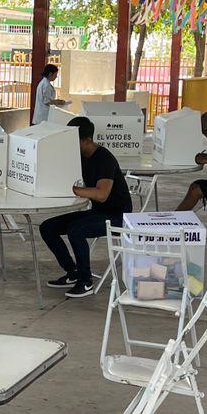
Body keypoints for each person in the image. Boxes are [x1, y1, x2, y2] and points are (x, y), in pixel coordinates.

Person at [41, 116, 132, 299]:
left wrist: (73, 190)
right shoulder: (81, 157)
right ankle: (72, 272)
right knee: (47, 227)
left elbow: (101, 194)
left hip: (117, 216)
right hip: (98, 212)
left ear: (87, 140)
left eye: (74, 142)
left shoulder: (104, 158)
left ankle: (85, 281)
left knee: (76, 230)